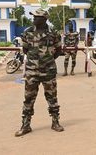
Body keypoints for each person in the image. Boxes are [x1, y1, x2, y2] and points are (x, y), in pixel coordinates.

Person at [15, 8, 64, 137]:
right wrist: (35, 62)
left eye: (36, 17)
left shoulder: (53, 33)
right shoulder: (27, 32)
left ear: (44, 19)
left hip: (48, 71)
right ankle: (25, 125)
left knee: (52, 98)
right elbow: (25, 50)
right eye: (33, 17)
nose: (34, 19)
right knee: (28, 98)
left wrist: (47, 61)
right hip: (32, 71)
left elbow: (59, 50)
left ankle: (55, 122)